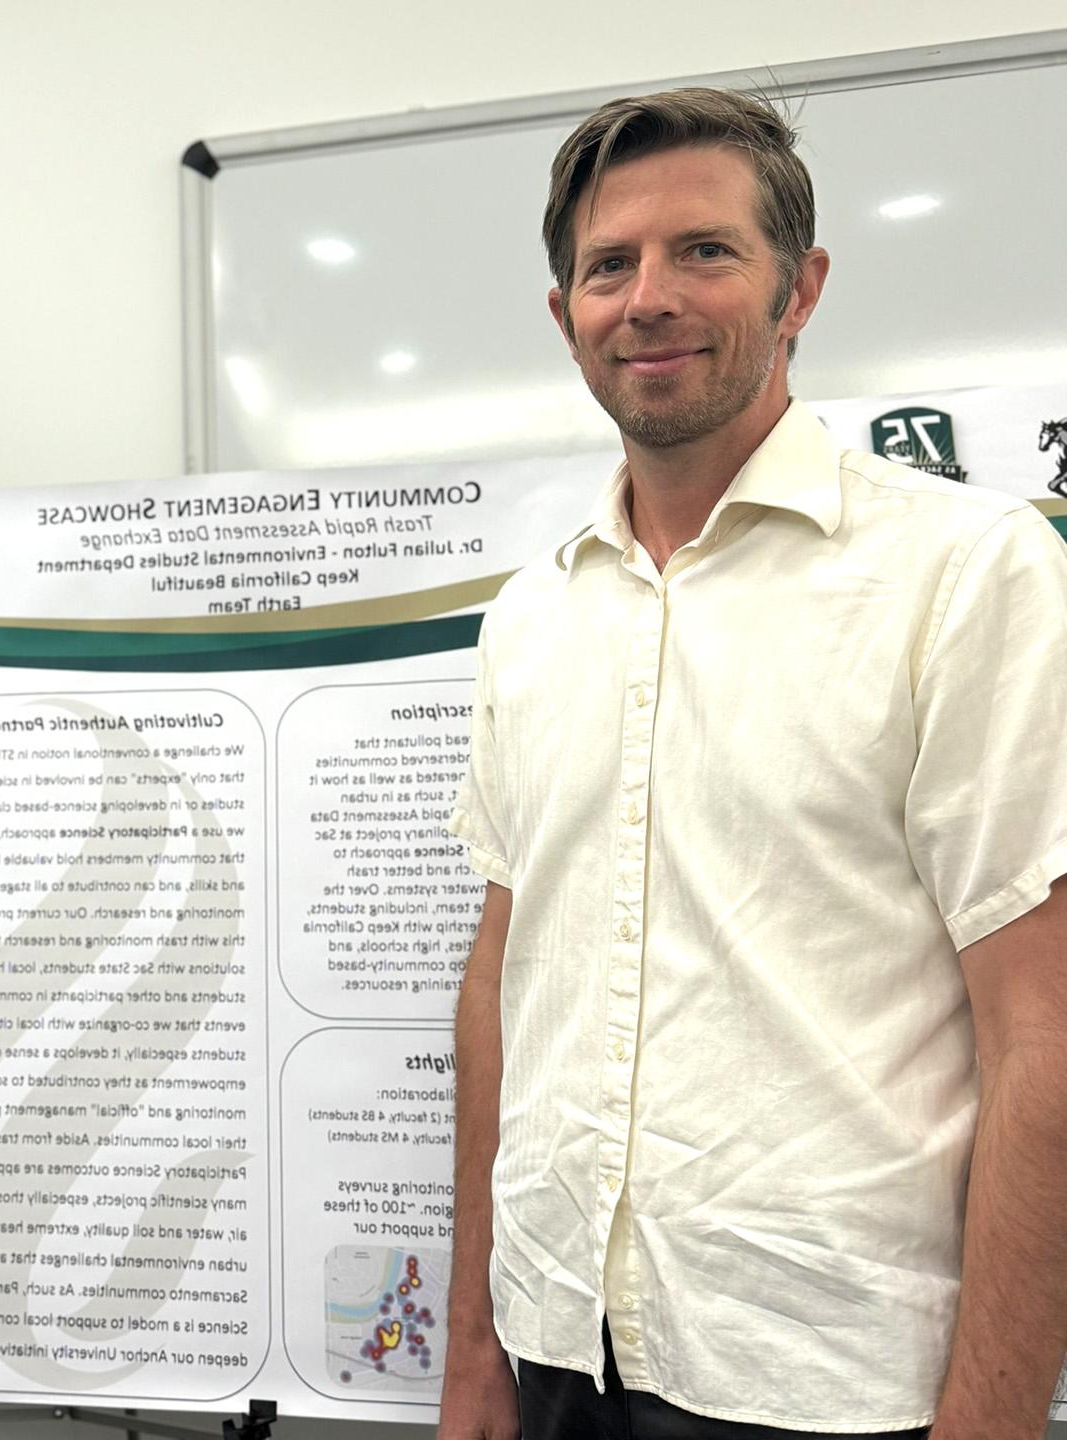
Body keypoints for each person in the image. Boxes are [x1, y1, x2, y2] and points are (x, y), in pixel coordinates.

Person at [439, 88, 1067, 1440]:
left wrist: (995, 1422)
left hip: (825, 1382)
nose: (649, 298)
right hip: (558, 1349)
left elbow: (1044, 1028)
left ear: (802, 289)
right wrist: (476, 1358)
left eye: (705, 252)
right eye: (610, 265)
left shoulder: (963, 575)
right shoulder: (534, 614)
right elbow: (501, 982)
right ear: (566, 317)